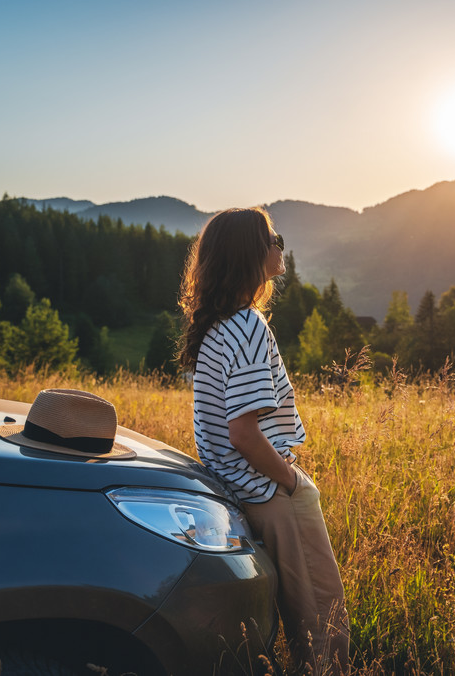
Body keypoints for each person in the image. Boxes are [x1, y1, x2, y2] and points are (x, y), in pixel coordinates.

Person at [177, 207, 349, 675]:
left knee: (296, 617)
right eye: (273, 237)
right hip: (270, 491)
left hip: (237, 490)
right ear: (251, 253)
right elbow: (243, 432)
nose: (280, 245)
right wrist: (291, 481)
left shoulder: (217, 326)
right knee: (322, 617)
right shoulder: (249, 326)